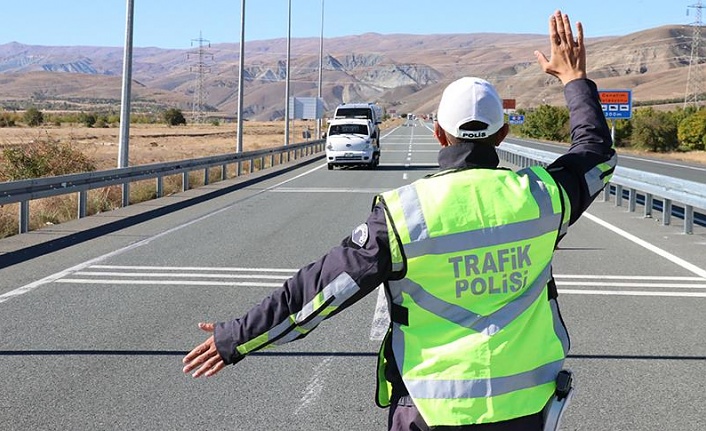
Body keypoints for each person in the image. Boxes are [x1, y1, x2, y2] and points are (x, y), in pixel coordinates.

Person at [183, 10, 616, 431]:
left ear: (438, 134)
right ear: (502, 136)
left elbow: (317, 292)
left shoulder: (405, 216)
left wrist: (236, 338)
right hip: (528, 407)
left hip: (431, 411)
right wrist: (574, 80)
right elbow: (595, 152)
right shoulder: (543, 196)